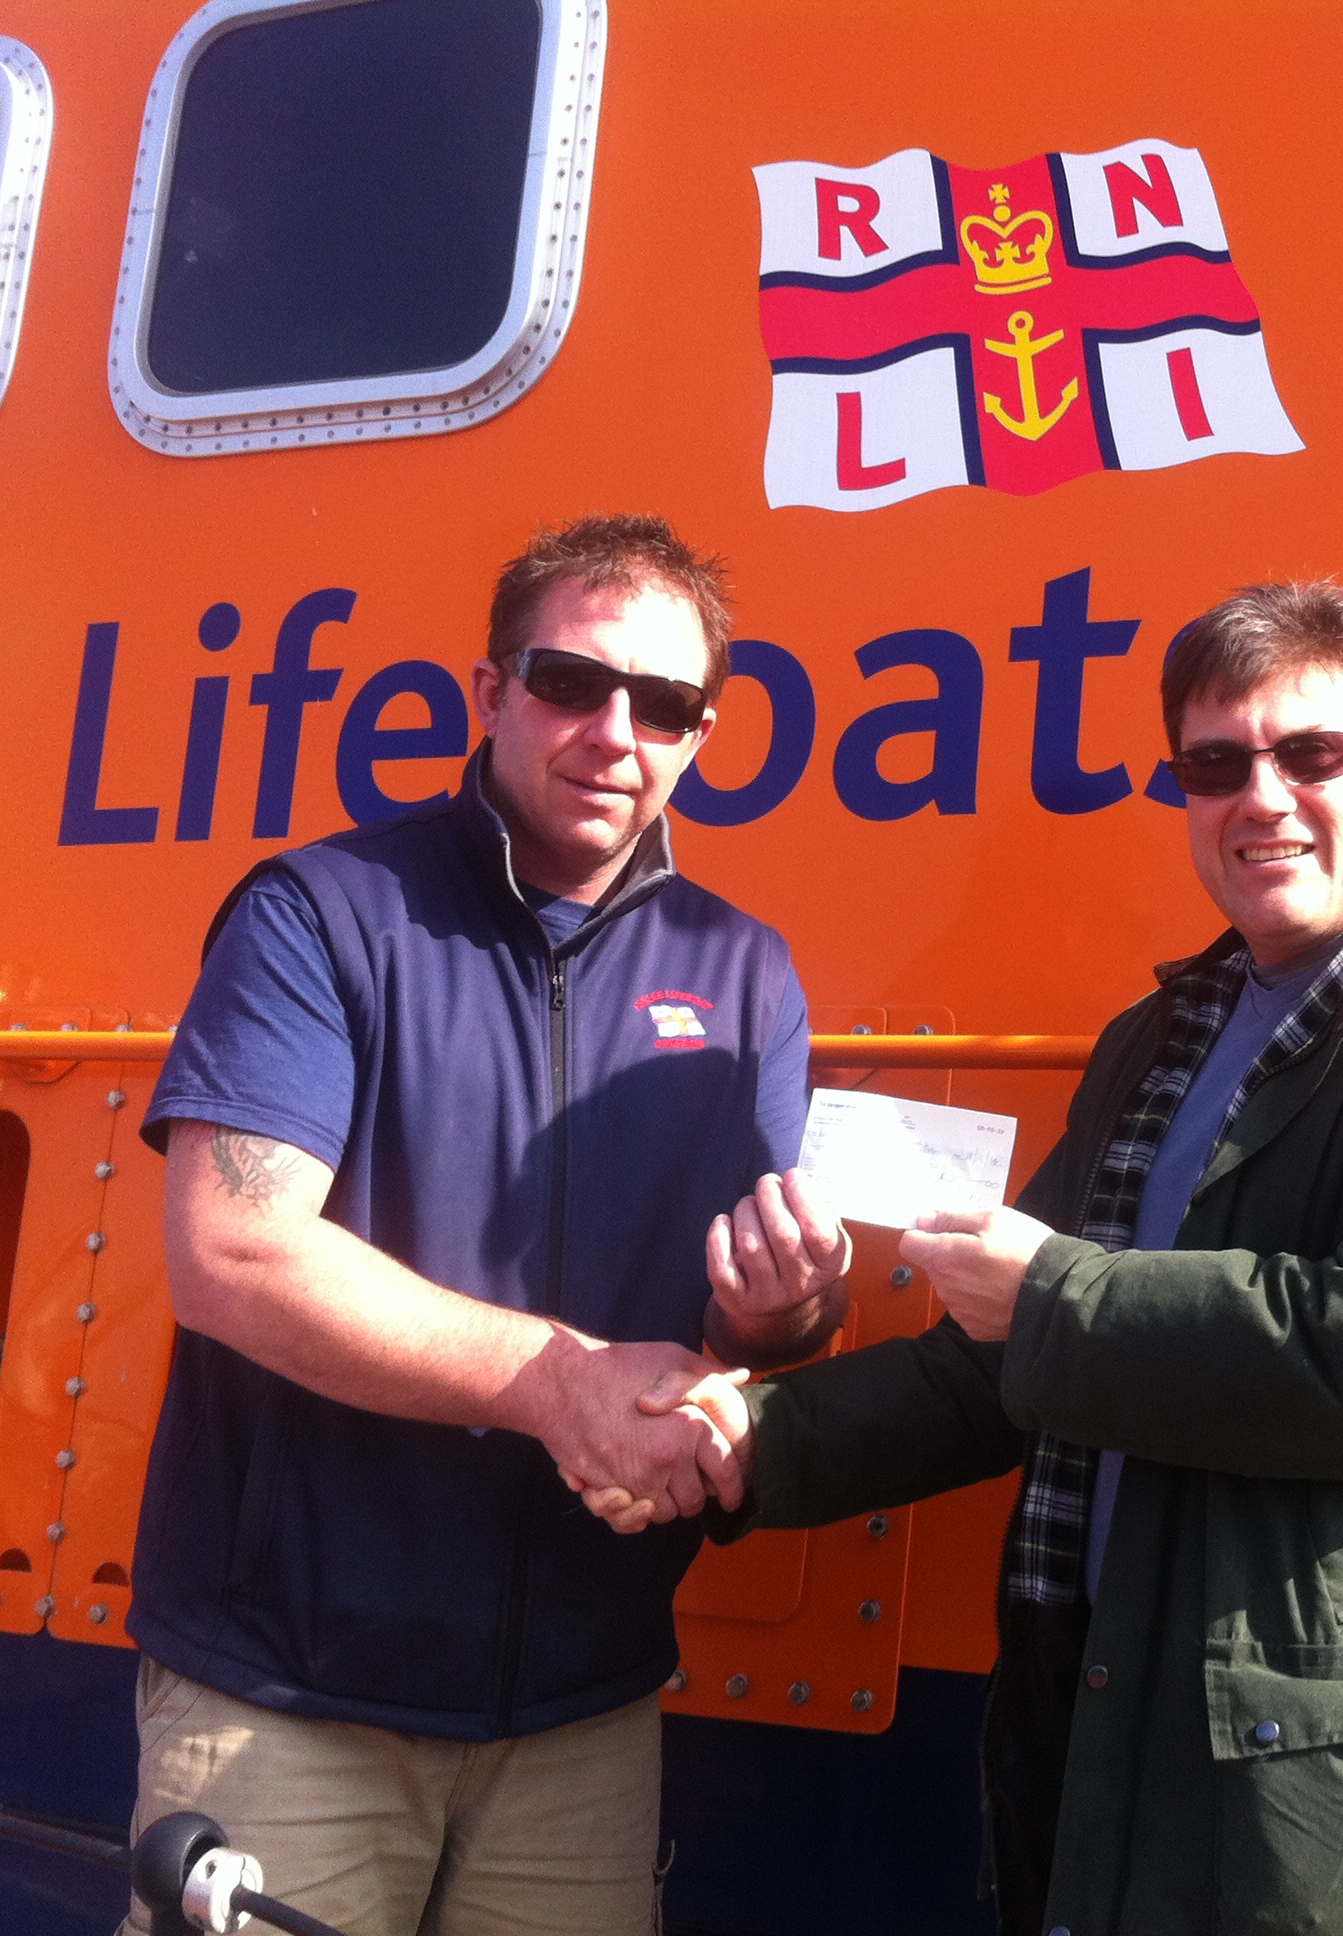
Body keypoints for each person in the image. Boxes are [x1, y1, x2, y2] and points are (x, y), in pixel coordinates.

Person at [604, 581, 1343, 1935]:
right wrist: (749, 1438)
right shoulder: (1160, 1037)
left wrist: (1056, 1296)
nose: (1260, 798)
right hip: (1105, 1750)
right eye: (1214, 766)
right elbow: (998, 1365)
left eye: (1309, 754)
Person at [122, 514, 850, 1936]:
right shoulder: (324, 912)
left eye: (664, 704)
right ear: (491, 693)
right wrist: (557, 1383)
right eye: (572, 682)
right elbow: (231, 1252)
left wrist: (780, 1309)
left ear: (701, 737)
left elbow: (765, 1325)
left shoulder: (745, 971)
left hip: (584, 1715)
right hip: (288, 1699)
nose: (613, 732)